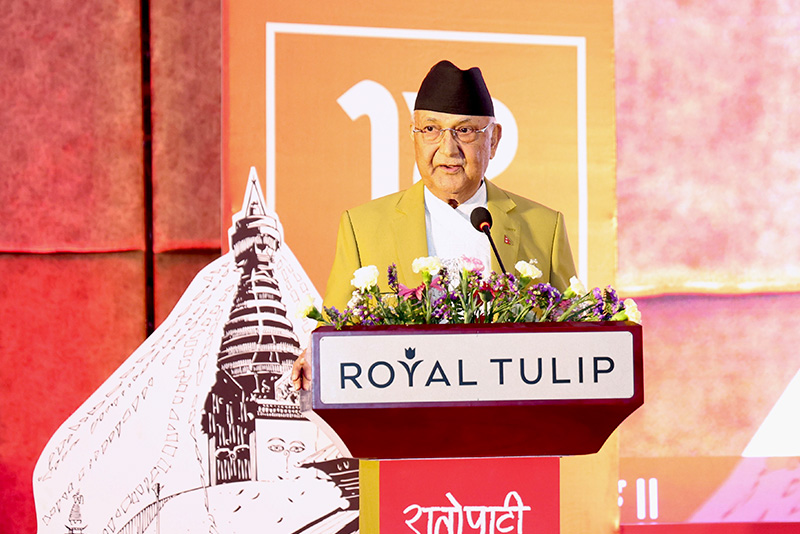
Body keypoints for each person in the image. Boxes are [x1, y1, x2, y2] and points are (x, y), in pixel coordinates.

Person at [292, 60, 576, 391]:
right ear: (414, 137)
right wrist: (316, 356)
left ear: (494, 140)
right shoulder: (363, 227)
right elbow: (334, 333)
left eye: (465, 131)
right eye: (430, 129)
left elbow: (575, 335)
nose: (448, 149)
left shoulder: (543, 227)